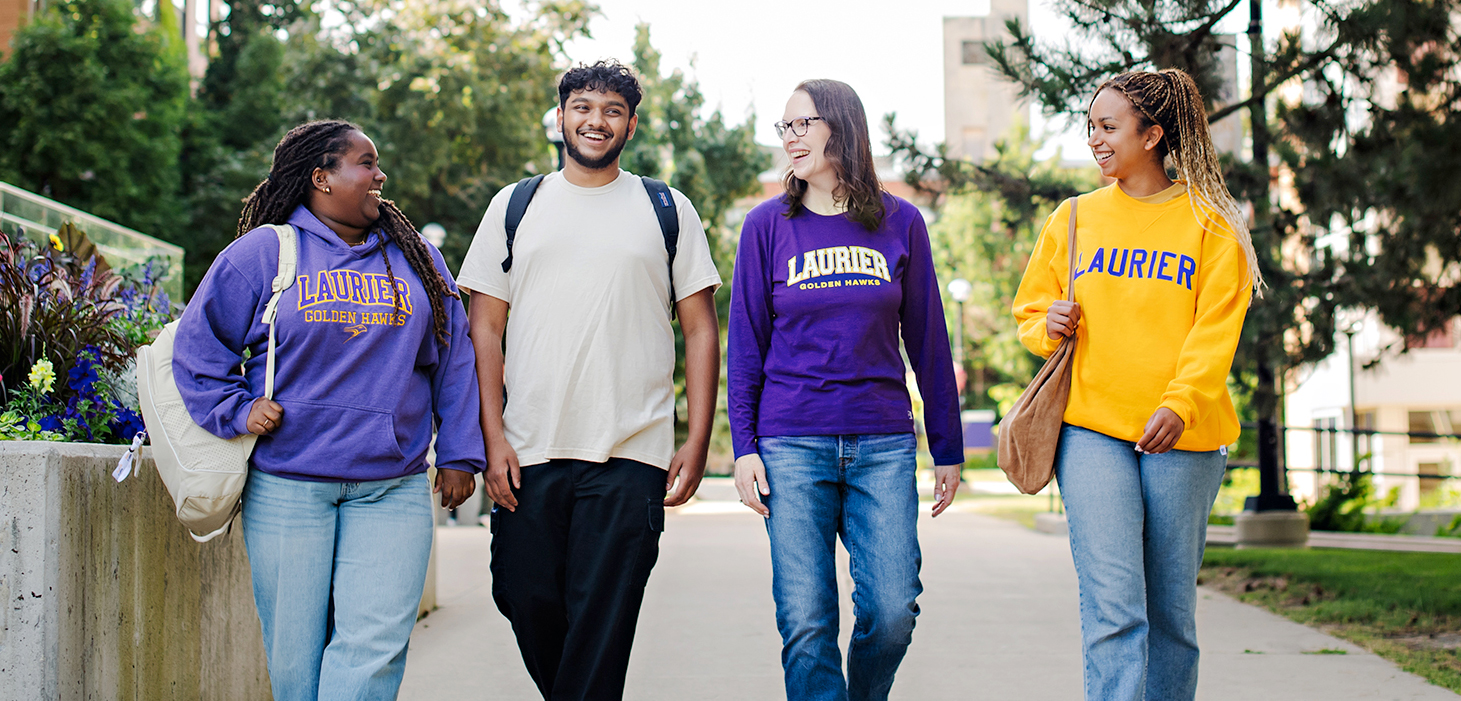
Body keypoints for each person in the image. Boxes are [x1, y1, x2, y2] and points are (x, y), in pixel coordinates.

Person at [173, 120, 484, 701]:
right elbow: (198, 347)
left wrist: (462, 453)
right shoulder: (266, 252)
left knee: (374, 649)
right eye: (365, 163)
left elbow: (455, 360)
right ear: (321, 177)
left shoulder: (417, 260)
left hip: (390, 485)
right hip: (288, 485)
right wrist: (236, 410)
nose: (379, 175)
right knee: (294, 664)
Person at [456, 60, 721, 700]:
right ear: (561, 116)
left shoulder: (666, 208)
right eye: (582, 106)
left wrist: (697, 438)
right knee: (522, 593)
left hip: (632, 450)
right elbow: (483, 330)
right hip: (529, 447)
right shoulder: (515, 206)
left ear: (630, 123)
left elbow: (702, 330)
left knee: (604, 616)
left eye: (610, 110)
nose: (594, 120)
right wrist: (491, 438)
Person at [1011, 69, 1262, 701]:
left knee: (1171, 612)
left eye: (1108, 127)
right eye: (1090, 126)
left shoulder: (1211, 223)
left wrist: (1180, 403)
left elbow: (1215, 331)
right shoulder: (1073, 219)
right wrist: (1050, 323)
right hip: (1091, 429)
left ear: (1152, 134)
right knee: (1114, 608)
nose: (1094, 140)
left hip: (1185, 437)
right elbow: (1029, 315)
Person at [727, 79, 964, 701]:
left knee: (892, 612)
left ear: (840, 126)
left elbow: (929, 339)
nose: (790, 139)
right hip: (791, 442)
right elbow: (745, 345)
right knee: (806, 623)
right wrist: (744, 446)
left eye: (801, 124)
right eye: (784, 129)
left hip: (882, 441)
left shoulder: (901, 223)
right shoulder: (766, 226)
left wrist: (948, 445)